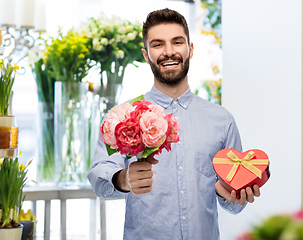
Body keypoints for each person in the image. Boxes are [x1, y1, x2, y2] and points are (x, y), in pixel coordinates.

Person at [87, 8, 260, 240]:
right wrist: (123, 179)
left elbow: (233, 205)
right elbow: (99, 178)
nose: (169, 52)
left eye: (177, 42)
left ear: (190, 49)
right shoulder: (121, 116)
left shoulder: (222, 120)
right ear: (146, 55)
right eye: (158, 44)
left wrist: (232, 195)